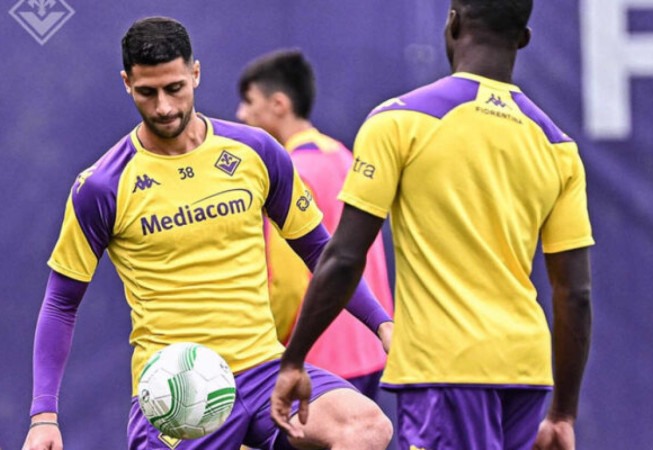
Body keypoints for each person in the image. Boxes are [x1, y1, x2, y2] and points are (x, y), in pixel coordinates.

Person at [22, 16, 394, 450]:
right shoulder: (103, 185)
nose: (163, 106)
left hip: (264, 370)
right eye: (147, 92)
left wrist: (383, 324)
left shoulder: (255, 152)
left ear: (195, 73)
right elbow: (61, 302)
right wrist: (43, 415)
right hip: (177, 392)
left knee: (365, 428)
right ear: (126, 83)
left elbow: (319, 251)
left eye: (175, 88)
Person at [271, 1, 594, 449]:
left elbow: (344, 258)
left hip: (446, 371)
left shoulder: (400, 121)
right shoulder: (557, 145)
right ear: (523, 39)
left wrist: (294, 360)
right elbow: (574, 294)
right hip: (526, 375)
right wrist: (562, 414)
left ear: (453, 22)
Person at [235, 49, 394, 401]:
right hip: (369, 352)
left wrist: (259, 348)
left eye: (248, 101)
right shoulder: (343, 155)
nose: (240, 114)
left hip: (315, 362)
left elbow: (289, 288)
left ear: (279, 104)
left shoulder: (290, 174)